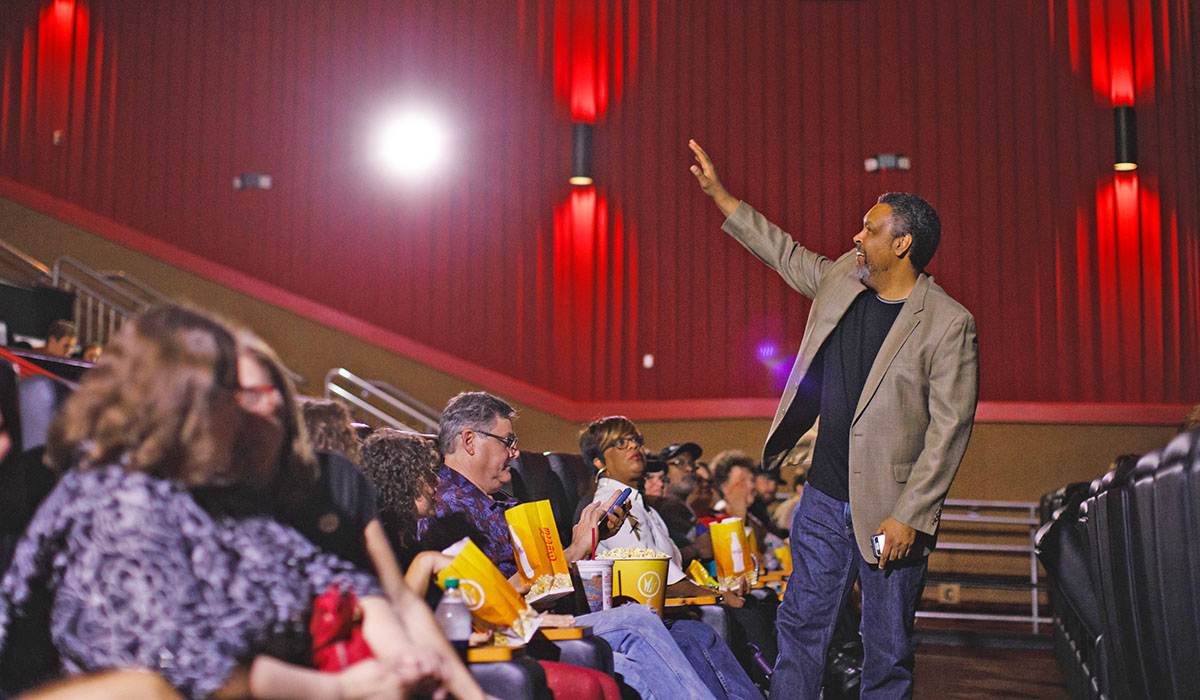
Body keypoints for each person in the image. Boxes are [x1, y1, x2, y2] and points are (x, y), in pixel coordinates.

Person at [0, 305, 446, 700]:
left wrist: (402, 658)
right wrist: (342, 689)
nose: (243, 412)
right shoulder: (117, 497)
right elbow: (175, 666)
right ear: (185, 404)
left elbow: (326, 574)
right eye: (230, 394)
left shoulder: (216, 496)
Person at [690, 139, 979, 699]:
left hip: (890, 513)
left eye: (870, 230)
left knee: (886, 648)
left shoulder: (948, 323)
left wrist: (910, 516)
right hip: (823, 494)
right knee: (800, 627)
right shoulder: (844, 277)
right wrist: (721, 196)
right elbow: (784, 252)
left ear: (902, 243)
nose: (856, 237)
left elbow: (948, 432)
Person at [417, 392, 758, 700]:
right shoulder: (449, 508)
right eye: (508, 441)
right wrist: (575, 550)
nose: (515, 452)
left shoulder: (502, 502)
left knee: (670, 646)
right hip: (518, 633)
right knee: (638, 621)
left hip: (554, 615)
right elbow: (482, 602)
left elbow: (544, 581)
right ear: (469, 441)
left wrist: (593, 543)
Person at [359, 428, 621, 700]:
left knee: (604, 684)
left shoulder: (412, 536)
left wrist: (524, 622)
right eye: (425, 475)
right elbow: (397, 615)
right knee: (590, 684)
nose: (435, 483)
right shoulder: (379, 541)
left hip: (461, 640)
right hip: (414, 658)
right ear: (401, 483)